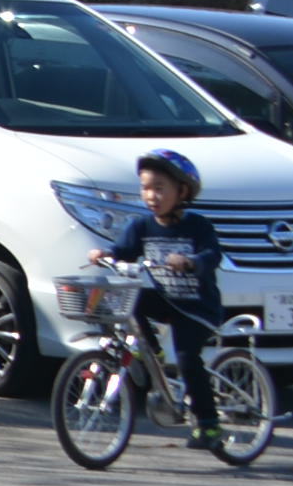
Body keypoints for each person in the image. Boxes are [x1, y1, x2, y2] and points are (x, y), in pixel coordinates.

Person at [97, 147, 230, 441]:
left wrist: (192, 261)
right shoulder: (141, 226)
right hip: (167, 299)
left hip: (197, 308)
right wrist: (105, 254)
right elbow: (123, 251)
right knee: (129, 300)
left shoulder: (197, 225)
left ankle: (209, 423)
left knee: (186, 358)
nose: (151, 196)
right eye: (146, 188)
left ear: (182, 191)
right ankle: (151, 349)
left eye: (160, 188)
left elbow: (212, 254)